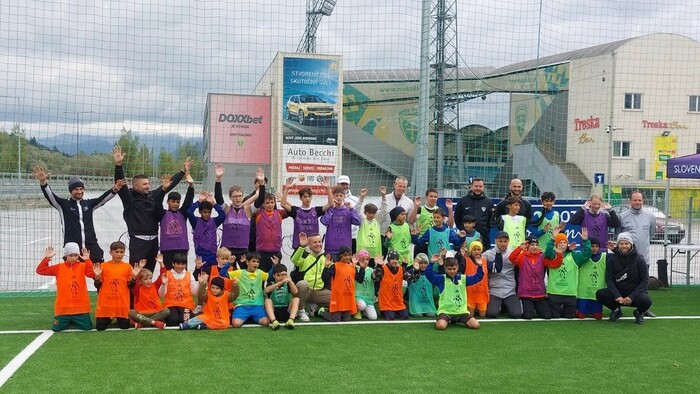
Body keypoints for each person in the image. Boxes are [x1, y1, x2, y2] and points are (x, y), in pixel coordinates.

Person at [113, 145, 192, 272]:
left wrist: (182, 172)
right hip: (138, 241)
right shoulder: (129, 198)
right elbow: (120, 185)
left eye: (148, 183)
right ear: (135, 185)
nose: (148, 186)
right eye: (145, 184)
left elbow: (168, 185)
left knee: (148, 273)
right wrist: (118, 166)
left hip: (154, 242)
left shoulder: (152, 196)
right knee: (135, 273)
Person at [34, 165, 125, 263]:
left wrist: (115, 189)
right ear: (71, 191)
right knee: (73, 276)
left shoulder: (89, 204)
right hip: (73, 247)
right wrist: (43, 182)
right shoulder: (63, 205)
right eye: (76, 189)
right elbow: (50, 196)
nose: (79, 191)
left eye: (81, 189)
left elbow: (103, 199)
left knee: (99, 273)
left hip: (91, 245)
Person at [596, 232, 653, 325]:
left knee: (646, 301)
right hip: (619, 295)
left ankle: (639, 313)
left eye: (626, 243)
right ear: (618, 245)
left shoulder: (640, 259)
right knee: (600, 294)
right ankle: (616, 310)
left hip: (634, 295)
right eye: (621, 243)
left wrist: (632, 296)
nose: (624, 246)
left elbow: (645, 281)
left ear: (631, 244)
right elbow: (609, 279)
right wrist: (617, 295)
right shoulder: (612, 259)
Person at [36, 243, 95, 331]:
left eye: (76, 255)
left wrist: (88, 260)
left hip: (80, 308)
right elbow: (40, 270)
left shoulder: (83, 266)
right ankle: (69, 320)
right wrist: (47, 258)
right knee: (56, 329)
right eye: (71, 255)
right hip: (63, 309)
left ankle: (74, 319)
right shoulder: (59, 267)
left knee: (88, 327)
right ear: (66, 255)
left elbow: (92, 274)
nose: (74, 258)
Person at [214, 165, 266, 265]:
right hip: (227, 250)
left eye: (240, 196)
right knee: (227, 276)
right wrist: (218, 179)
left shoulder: (247, 210)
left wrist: (262, 183)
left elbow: (259, 201)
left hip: (243, 250)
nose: (238, 198)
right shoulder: (226, 209)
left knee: (244, 277)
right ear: (230, 197)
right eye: (235, 196)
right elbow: (218, 198)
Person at [618, 190, 657, 317]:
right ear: (630, 201)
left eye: (639, 200)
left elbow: (651, 233)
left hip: (643, 258)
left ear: (643, 201)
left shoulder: (650, 216)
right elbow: (619, 235)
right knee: (623, 282)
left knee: (643, 284)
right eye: (635, 200)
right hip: (626, 260)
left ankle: (642, 309)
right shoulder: (623, 216)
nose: (637, 202)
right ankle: (618, 307)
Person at [508, 235, 565, 319]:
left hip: (540, 294)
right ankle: (529, 308)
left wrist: (559, 254)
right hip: (525, 294)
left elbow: (555, 264)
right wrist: (520, 248)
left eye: (536, 245)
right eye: (532, 245)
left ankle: (536, 308)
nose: (535, 247)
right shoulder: (522, 257)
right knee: (528, 316)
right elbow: (511, 258)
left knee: (547, 316)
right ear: (528, 246)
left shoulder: (542, 257)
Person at [423, 254, 484, 330]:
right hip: (446, 311)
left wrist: (480, 266)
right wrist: (431, 263)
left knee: (476, 325)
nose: (452, 271)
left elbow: (477, 277)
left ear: (457, 267)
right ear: (445, 268)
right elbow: (429, 276)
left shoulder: (463, 278)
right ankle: (441, 319)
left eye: (454, 269)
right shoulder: (442, 279)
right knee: (440, 326)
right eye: (449, 269)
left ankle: (455, 320)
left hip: (461, 312)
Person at [544, 228, 591, 319]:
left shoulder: (574, 255)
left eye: (564, 242)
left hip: (570, 293)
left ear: (567, 244)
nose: (562, 245)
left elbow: (586, 255)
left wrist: (585, 241)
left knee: (569, 316)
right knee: (555, 316)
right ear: (556, 244)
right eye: (560, 243)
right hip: (554, 292)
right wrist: (553, 239)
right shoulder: (552, 255)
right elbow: (547, 252)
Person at [94, 241, 139, 331]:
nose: (119, 254)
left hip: (121, 303)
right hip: (107, 303)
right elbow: (98, 286)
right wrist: (97, 278)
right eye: (116, 252)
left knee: (125, 326)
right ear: (111, 252)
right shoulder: (103, 266)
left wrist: (134, 278)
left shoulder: (127, 267)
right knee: (100, 327)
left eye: (121, 252)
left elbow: (130, 286)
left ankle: (117, 317)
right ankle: (110, 317)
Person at [280, 177, 332, 250]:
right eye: (305, 197)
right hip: (299, 246)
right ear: (300, 198)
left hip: (313, 246)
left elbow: (330, 204)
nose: (307, 199)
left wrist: (328, 188)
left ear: (311, 197)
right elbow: (283, 204)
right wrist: (286, 188)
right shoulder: (296, 211)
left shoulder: (316, 211)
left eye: (309, 196)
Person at [318, 246, 366, 322]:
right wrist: (326, 267)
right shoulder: (335, 266)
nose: (347, 257)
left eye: (349, 255)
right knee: (336, 319)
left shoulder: (352, 267)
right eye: (345, 255)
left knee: (346, 319)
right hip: (337, 298)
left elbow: (360, 280)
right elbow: (325, 279)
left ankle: (330, 311)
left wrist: (362, 269)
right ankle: (322, 312)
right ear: (340, 255)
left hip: (348, 299)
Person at [291, 232, 330, 321]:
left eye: (319, 242)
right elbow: (294, 260)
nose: (318, 244)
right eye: (315, 242)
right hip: (305, 291)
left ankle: (316, 308)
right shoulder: (304, 254)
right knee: (302, 284)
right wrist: (301, 246)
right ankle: (301, 310)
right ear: (309, 244)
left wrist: (328, 268)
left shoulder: (325, 257)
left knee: (336, 297)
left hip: (319, 292)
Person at [159, 173, 195, 269]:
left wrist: (191, 186)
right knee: (168, 275)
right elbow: (157, 203)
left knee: (182, 275)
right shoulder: (162, 214)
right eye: (173, 201)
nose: (175, 204)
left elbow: (188, 201)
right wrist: (163, 190)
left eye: (178, 202)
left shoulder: (182, 213)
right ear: (168, 202)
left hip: (182, 248)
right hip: (167, 249)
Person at [482, 231, 521, 318]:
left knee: (517, 314)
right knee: (492, 314)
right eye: (500, 241)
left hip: (510, 290)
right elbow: (476, 260)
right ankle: (500, 305)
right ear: (495, 241)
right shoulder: (488, 254)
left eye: (505, 241)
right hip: (494, 290)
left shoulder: (513, 253)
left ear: (508, 242)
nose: (503, 244)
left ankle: (505, 305)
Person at [228, 252, 271, 328]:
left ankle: (250, 317)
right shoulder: (240, 273)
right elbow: (223, 274)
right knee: (236, 324)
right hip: (242, 305)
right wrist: (229, 264)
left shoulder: (260, 273)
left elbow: (271, 275)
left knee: (266, 322)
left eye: (258, 262)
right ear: (247, 262)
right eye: (253, 261)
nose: (256, 264)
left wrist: (275, 265)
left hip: (257, 306)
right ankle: (247, 317)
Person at [320, 186, 362, 260]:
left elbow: (358, 222)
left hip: (346, 249)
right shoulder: (329, 209)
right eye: (336, 195)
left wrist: (351, 209)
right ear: (333, 196)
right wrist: (331, 208)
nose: (338, 198)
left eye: (340, 195)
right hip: (331, 248)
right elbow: (324, 221)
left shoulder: (348, 211)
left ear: (344, 197)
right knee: (331, 270)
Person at [408, 189, 454, 257]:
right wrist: (416, 206)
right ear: (426, 197)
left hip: (434, 243)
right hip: (422, 243)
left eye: (435, 197)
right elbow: (411, 221)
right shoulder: (420, 209)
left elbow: (450, 224)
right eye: (431, 196)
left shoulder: (439, 210)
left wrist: (450, 209)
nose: (433, 198)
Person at [251, 189, 287, 273]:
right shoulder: (258, 213)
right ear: (263, 204)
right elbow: (248, 208)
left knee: (276, 275)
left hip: (275, 251)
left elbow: (290, 209)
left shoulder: (279, 213)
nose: (270, 205)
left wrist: (283, 199)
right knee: (260, 275)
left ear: (275, 203)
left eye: (272, 202)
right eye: (267, 203)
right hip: (261, 251)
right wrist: (256, 196)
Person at [372, 251, 416, 320]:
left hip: (398, 302)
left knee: (405, 316)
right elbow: (374, 278)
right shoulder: (383, 268)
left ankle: (395, 312)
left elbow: (412, 279)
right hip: (386, 302)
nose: (395, 261)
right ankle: (385, 312)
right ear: (389, 260)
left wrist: (416, 271)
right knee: (390, 317)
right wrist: (378, 266)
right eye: (392, 259)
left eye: (396, 259)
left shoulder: (401, 269)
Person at [129, 255, 169, 329]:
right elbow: (133, 283)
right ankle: (154, 323)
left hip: (155, 312)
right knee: (131, 312)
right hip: (142, 313)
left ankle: (142, 324)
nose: (148, 281)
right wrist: (139, 269)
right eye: (145, 279)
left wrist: (161, 263)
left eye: (150, 278)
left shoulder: (155, 285)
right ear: (140, 281)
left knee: (166, 311)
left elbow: (163, 275)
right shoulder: (138, 289)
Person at [187, 192, 226, 268]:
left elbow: (223, 215)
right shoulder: (195, 221)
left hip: (213, 253)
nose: (207, 214)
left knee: (213, 274)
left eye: (209, 212)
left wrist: (214, 203)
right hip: (201, 253)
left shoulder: (214, 221)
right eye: (205, 212)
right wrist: (199, 201)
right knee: (202, 274)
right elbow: (189, 212)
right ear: (200, 212)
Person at [159, 252, 198, 327]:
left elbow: (195, 292)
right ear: (173, 264)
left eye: (183, 264)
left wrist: (200, 283)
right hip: (171, 305)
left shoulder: (189, 275)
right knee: (172, 321)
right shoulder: (167, 274)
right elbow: (161, 294)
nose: (180, 266)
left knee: (186, 321)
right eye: (178, 264)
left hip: (186, 305)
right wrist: (163, 284)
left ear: (185, 265)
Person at [379, 177, 414, 254]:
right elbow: (378, 216)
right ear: (395, 185)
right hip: (384, 234)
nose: (401, 188)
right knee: (381, 258)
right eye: (400, 186)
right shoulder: (384, 198)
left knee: (397, 259)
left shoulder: (409, 202)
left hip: (400, 237)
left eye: (404, 187)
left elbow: (409, 221)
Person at [454, 177, 494, 246]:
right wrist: (464, 229)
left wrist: (484, 230)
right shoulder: (463, 201)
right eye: (476, 186)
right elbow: (457, 218)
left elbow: (491, 221)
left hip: (484, 239)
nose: (478, 188)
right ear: (471, 187)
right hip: (466, 239)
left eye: (480, 186)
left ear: (483, 187)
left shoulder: (488, 202)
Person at [576, 237, 606, 320]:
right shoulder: (582, 257)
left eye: (596, 246)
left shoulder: (604, 257)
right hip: (583, 292)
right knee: (581, 316)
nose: (594, 248)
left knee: (598, 317)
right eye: (592, 246)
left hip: (597, 293)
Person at [264, 261, 300, 330]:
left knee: (296, 299)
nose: (280, 277)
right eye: (278, 275)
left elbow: (295, 292)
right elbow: (266, 290)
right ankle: (274, 321)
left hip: (286, 310)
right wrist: (280, 283)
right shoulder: (271, 283)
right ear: (274, 276)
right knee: (267, 300)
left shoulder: (288, 284)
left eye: (283, 275)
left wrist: (289, 280)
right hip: (274, 311)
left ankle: (291, 320)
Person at [462, 240, 489, 318]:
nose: (476, 251)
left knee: (483, 315)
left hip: (482, 292)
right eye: (474, 249)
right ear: (470, 250)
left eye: (478, 249)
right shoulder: (466, 260)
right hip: (470, 292)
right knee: (470, 315)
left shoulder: (485, 261)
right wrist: (460, 254)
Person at [355, 196, 383, 264]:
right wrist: (361, 198)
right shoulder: (362, 221)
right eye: (369, 213)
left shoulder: (377, 221)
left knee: (373, 271)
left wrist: (384, 197)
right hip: (363, 252)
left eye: (373, 213)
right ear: (365, 213)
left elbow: (384, 211)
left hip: (374, 251)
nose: (371, 215)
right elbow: (356, 211)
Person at [354, 249, 377, 320]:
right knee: (362, 305)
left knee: (373, 317)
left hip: (368, 299)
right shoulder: (356, 269)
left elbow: (377, 278)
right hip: (358, 297)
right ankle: (357, 311)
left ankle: (363, 311)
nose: (365, 261)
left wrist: (377, 265)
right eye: (362, 259)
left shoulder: (371, 270)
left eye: (367, 259)